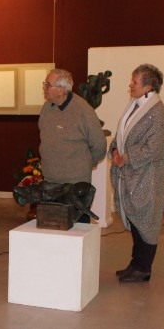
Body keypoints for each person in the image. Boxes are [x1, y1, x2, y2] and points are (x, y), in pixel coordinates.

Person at [110, 64, 164, 283]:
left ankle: (143, 268)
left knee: (146, 222)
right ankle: (136, 264)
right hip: (133, 175)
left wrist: (126, 157)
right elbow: (122, 134)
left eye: (134, 82)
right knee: (136, 222)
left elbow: (155, 148)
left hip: (147, 177)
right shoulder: (136, 105)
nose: (130, 85)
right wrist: (115, 150)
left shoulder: (158, 112)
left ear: (148, 86)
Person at [39, 68, 107, 222]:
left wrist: (86, 163)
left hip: (76, 184)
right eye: (45, 84)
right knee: (53, 226)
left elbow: (99, 145)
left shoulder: (83, 110)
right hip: (50, 182)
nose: (44, 88)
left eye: (48, 84)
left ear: (61, 90)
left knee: (77, 228)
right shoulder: (47, 108)